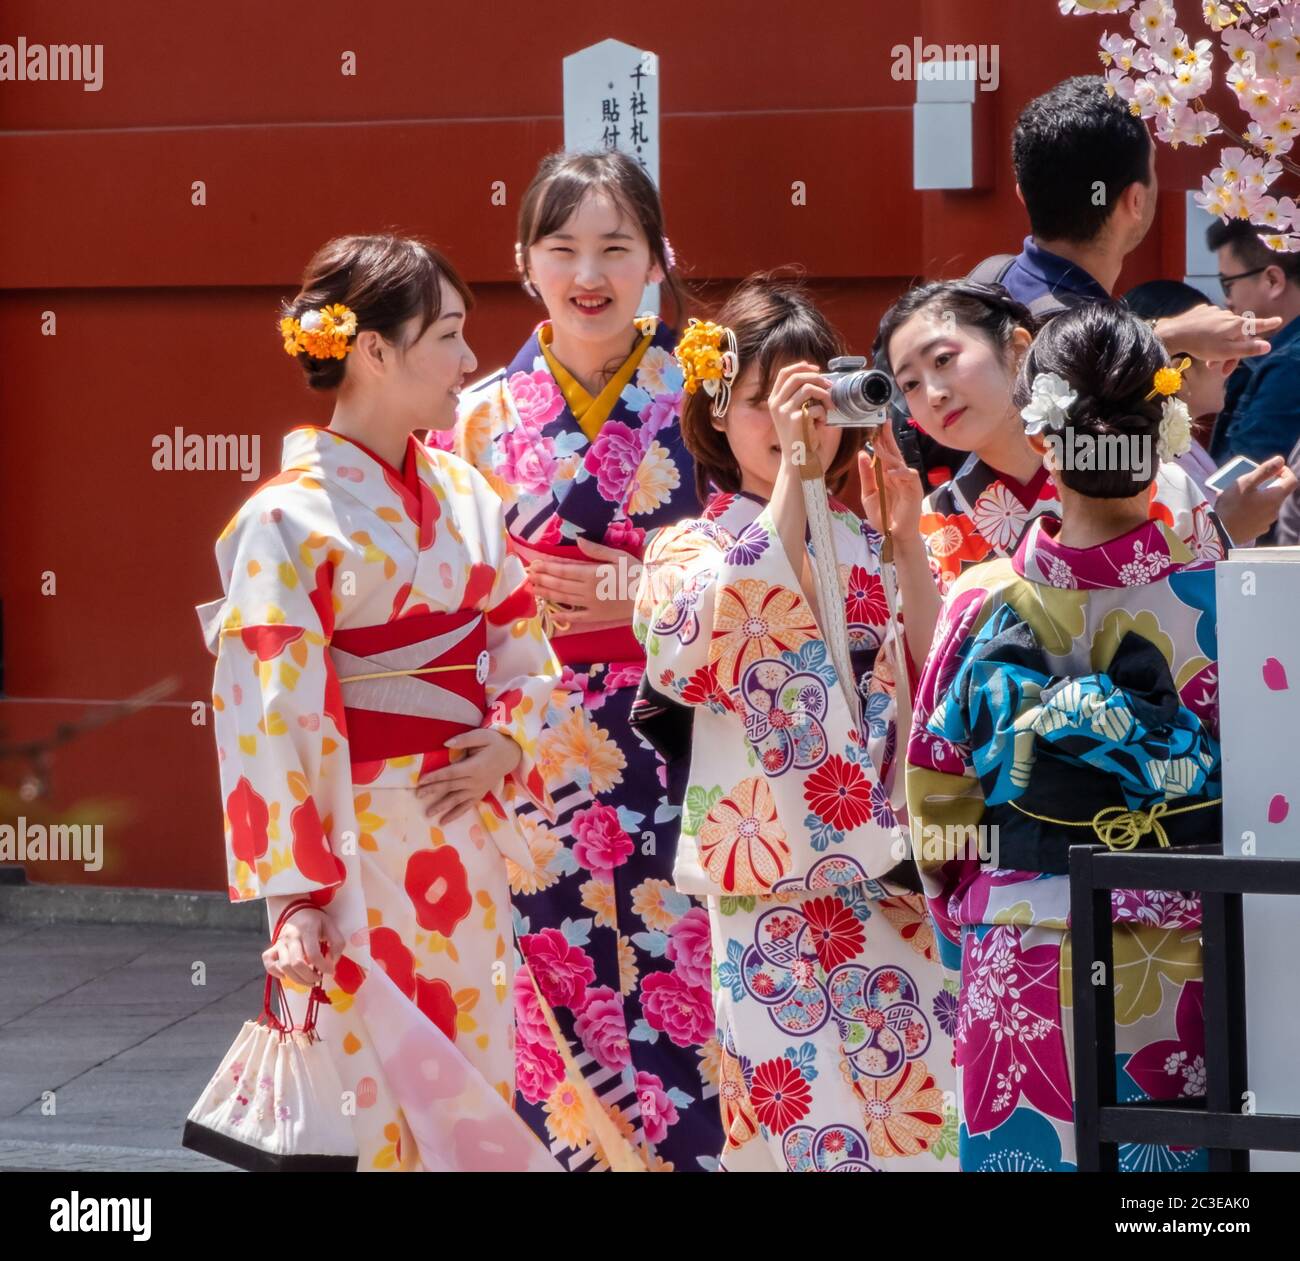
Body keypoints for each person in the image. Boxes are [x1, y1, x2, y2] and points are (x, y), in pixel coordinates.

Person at [197, 234, 561, 1172]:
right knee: (370, 1100)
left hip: (462, 831)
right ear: (372, 350)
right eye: (447, 335)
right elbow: (267, 714)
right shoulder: (285, 518)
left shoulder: (466, 494)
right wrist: (296, 896)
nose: (470, 360)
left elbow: (521, 641)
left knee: (475, 1074)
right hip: (350, 851)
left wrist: (511, 740)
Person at [632, 275, 957, 1172]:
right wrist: (791, 492)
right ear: (716, 412)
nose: (792, 424)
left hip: (891, 870)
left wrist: (907, 543)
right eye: (761, 403)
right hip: (771, 881)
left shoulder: (868, 535)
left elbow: (935, 675)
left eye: (812, 401)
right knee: (802, 1121)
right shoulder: (688, 547)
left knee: (920, 1112)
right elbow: (685, 651)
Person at [447, 149, 719, 1171]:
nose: (589, 274)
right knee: (548, 998)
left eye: (616, 246)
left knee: (691, 986)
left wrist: (644, 592)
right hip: (532, 747)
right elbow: (449, 599)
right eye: (561, 248)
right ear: (524, 261)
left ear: (658, 258)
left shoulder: (708, 394)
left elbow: (770, 558)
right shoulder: (478, 414)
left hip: (684, 732)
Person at [905, 302, 1218, 1172]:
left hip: (1021, 953)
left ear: (1043, 438)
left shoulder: (977, 601)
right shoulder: (1219, 607)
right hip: (1187, 956)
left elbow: (939, 804)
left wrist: (969, 925)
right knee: (1170, 1214)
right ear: (1165, 436)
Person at [874, 280, 1228, 595]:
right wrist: (905, 544)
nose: (933, 394)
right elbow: (931, 651)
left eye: (943, 359)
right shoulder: (927, 523)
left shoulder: (1152, 479)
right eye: (910, 384)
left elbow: (1220, 616)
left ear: (1017, 348)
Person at [971, 75, 1281, 366]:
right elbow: (1077, 357)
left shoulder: (985, 283)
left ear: (1022, 195)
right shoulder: (1096, 359)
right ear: (1135, 200)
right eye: (1153, 165)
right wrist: (1169, 336)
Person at [1124, 279, 1297, 543]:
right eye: (1219, 350)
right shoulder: (1142, 463)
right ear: (1178, 370)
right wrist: (1226, 529)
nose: (1234, 364)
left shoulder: (1173, 447)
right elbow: (1148, 560)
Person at [1205, 219, 1300, 466]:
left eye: (1227, 284)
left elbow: (1243, 477)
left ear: (1273, 280)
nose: (1227, 301)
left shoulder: (1289, 364)